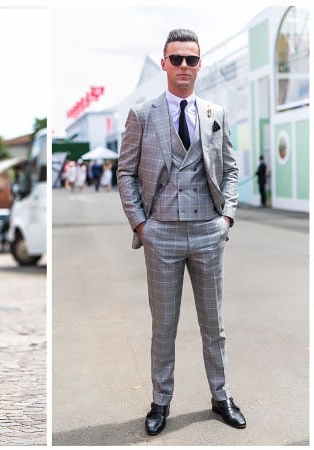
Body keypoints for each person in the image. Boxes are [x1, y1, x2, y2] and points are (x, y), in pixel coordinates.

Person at [117, 29, 244, 436]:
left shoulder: (215, 114)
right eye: (177, 59)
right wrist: (141, 224)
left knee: (214, 324)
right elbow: (126, 172)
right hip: (162, 234)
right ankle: (160, 401)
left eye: (191, 59)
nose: (184, 66)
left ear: (199, 64)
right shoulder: (141, 114)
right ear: (164, 64)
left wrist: (226, 218)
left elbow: (231, 169)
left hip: (208, 228)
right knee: (164, 325)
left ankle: (220, 396)